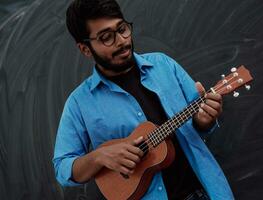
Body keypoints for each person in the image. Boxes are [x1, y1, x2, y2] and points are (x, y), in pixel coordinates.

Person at [53, 0, 234, 199]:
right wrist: (99, 157)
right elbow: (62, 168)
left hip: (205, 192)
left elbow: (200, 123)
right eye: (106, 37)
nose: (121, 41)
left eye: (122, 29)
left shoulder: (164, 65)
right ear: (85, 49)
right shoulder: (79, 103)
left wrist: (204, 120)